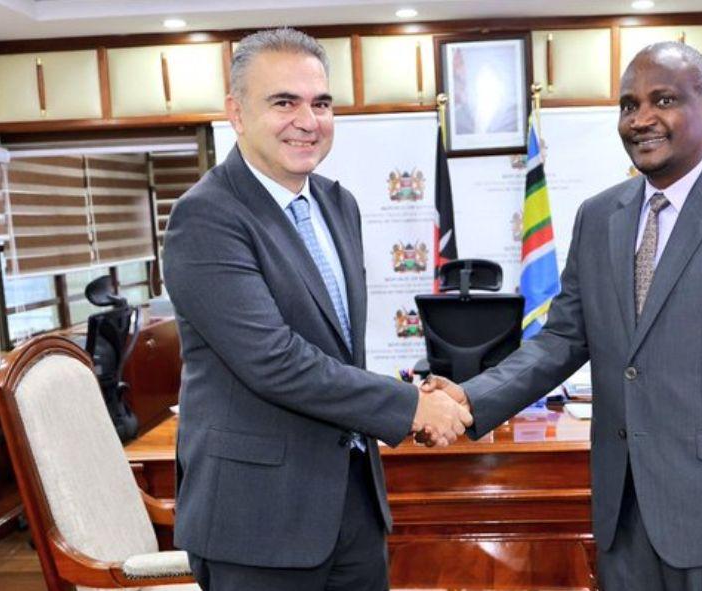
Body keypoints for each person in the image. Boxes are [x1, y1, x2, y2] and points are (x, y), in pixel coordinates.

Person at [423, 41, 702, 591]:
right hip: (621, 509)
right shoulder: (599, 215)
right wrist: (470, 398)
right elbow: (561, 339)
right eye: (629, 105)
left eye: (664, 100)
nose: (642, 119)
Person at [163, 28, 471, 591]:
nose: (308, 120)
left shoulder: (337, 202)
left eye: (321, 103)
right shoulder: (205, 217)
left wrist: (413, 399)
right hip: (257, 522)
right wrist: (407, 407)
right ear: (236, 112)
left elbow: (332, 350)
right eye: (284, 102)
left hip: (352, 501)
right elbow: (273, 360)